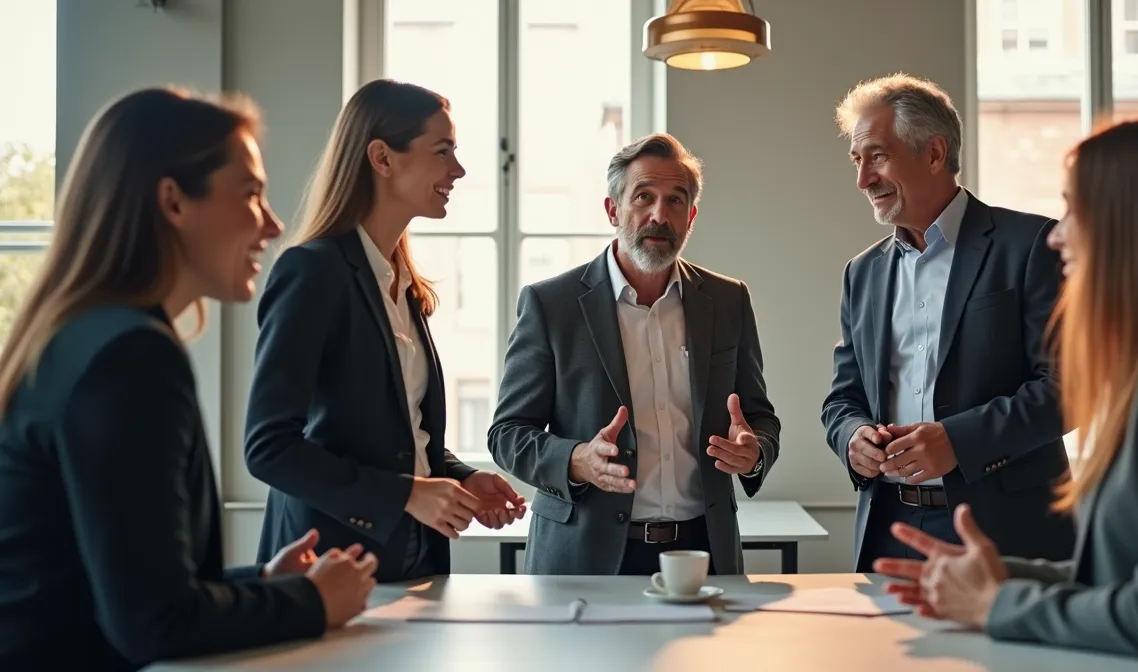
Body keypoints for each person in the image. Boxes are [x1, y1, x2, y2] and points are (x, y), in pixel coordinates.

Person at [877, 112, 1138, 671]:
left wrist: (996, 603)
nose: (1058, 234)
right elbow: (1125, 574)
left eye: (1075, 208)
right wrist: (998, 577)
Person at [0, 88, 378, 671]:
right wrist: (310, 601)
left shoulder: (79, 338)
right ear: (173, 202)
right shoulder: (131, 360)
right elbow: (153, 623)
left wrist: (264, 585)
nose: (273, 225)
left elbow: (111, 584)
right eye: (251, 194)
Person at [244, 79, 525, 584]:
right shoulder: (311, 272)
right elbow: (269, 448)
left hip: (414, 566)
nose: (457, 170)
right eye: (443, 152)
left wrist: (461, 479)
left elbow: (403, 440)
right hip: (328, 568)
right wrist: (407, 494)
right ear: (382, 157)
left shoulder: (404, 283)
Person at [488, 133, 781, 576]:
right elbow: (508, 433)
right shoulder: (552, 305)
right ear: (613, 210)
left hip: (704, 554)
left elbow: (759, 418)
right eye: (643, 197)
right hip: (586, 557)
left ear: (692, 217)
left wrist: (754, 453)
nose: (659, 215)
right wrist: (576, 461)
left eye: (675, 201)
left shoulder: (727, 300)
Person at [820, 73, 1073, 571]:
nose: (863, 179)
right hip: (887, 533)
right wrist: (852, 438)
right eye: (857, 160)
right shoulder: (862, 273)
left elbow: (1071, 388)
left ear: (934, 154)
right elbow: (843, 398)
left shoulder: (1031, 246)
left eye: (877, 156)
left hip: (1005, 535)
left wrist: (959, 441)